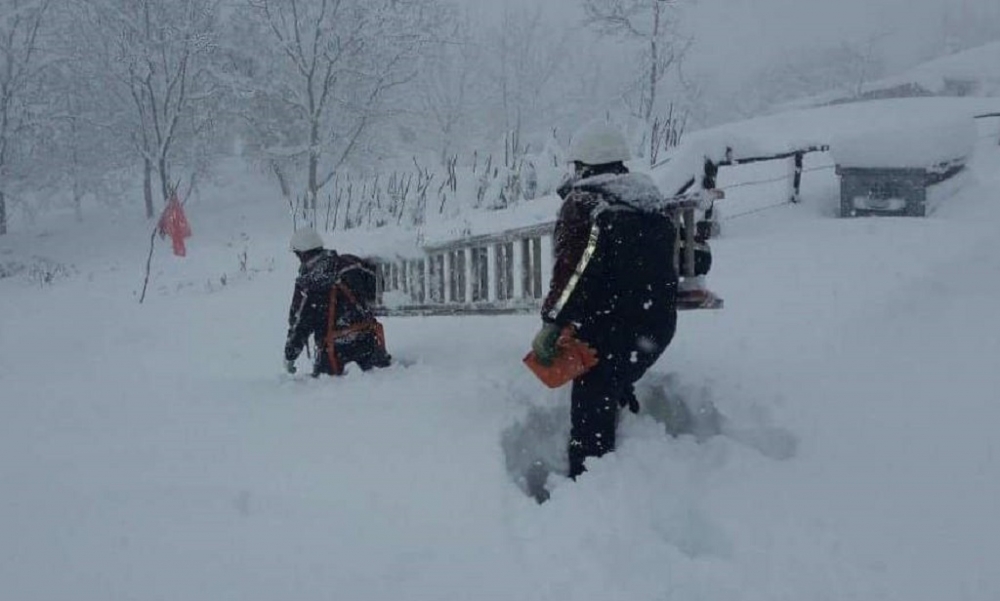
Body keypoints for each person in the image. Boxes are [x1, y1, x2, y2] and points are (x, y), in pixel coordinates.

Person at [532, 121, 679, 479]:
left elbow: (573, 272)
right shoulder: (651, 201)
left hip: (609, 327)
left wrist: (552, 321)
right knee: (611, 378)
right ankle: (616, 404)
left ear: (582, 165)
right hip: (657, 325)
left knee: (590, 414)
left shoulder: (584, 204)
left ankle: (588, 487)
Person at [284, 227, 391, 377]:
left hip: (333, 358)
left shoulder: (306, 285)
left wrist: (290, 355)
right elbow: (376, 283)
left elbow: (299, 324)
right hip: (369, 347)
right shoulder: (350, 263)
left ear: (302, 254)